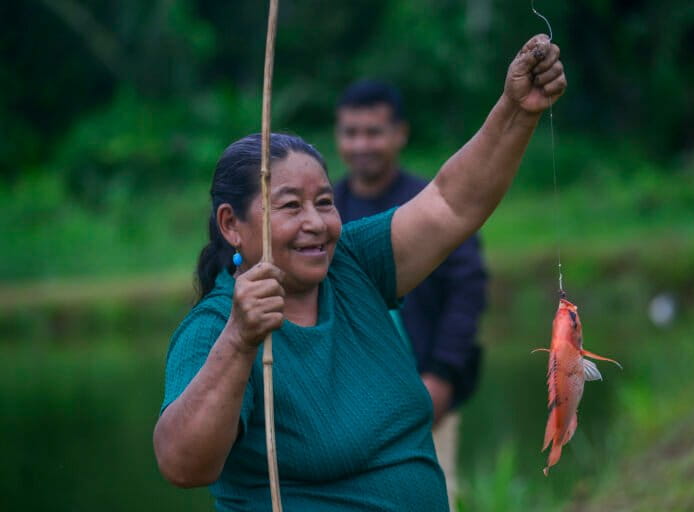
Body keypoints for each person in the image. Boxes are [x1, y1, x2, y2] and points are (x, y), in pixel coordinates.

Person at [153, 34, 566, 512]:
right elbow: (182, 465)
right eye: (290, 206)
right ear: (231, 225)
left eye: (324, 202)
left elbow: (451, 203)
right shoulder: (214, 327)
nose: (315, 222)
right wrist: (239, 340)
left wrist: (516, 110)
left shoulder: (351, 262)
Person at [332, 79, 487, 508]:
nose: (361, 144)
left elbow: (468, 289)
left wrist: (441, 376)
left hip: (426, 392)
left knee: (433, 498)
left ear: (400, 133)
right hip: (345, 407)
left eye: (373, 132)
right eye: (351, 132)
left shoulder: (432, 203)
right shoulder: (325, 211)